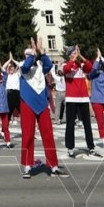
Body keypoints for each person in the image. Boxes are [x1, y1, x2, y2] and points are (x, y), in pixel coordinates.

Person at [19, 38, 66, 178]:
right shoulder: (22, 65)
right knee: (28, 135)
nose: (32, 58)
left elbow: (49, 65)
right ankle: (27, 166)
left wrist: (41, 52)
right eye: (29, 55)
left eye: (33, 55)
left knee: (48, 134)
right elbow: (26, 67)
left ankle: (53, 166)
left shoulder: (40, 65)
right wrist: (32, 54)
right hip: (27, 102)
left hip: (41, 103)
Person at [61, 46, 98, 159]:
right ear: (70, 55)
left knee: (87, 124)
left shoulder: (81, 65)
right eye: (73, 53)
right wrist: (72, 59)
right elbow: (66, 70)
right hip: (71, 99)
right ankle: (70, 147)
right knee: (70, 124)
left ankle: (91, 147)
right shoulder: (65, 64)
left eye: (76, 53)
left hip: (83, 99)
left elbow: (90, 67)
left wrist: (80, 56)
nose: (75, 54)